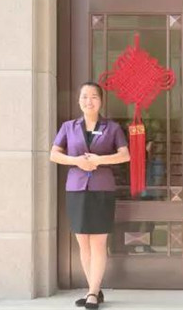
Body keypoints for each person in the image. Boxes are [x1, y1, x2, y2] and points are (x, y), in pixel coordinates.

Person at [50, 82, 130, 309]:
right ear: (79, 101)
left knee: (98, 242)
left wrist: (99, 160)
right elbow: (54, 154)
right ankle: (93, 288)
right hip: (76, 189)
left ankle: (93, 293)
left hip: (101, 189)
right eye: (84, 96)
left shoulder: (112, 128)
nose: (89, 101)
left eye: (94, 96)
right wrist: (76, 161)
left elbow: (125, 155)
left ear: (101, 101)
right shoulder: (68, 127)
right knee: (82, 242)